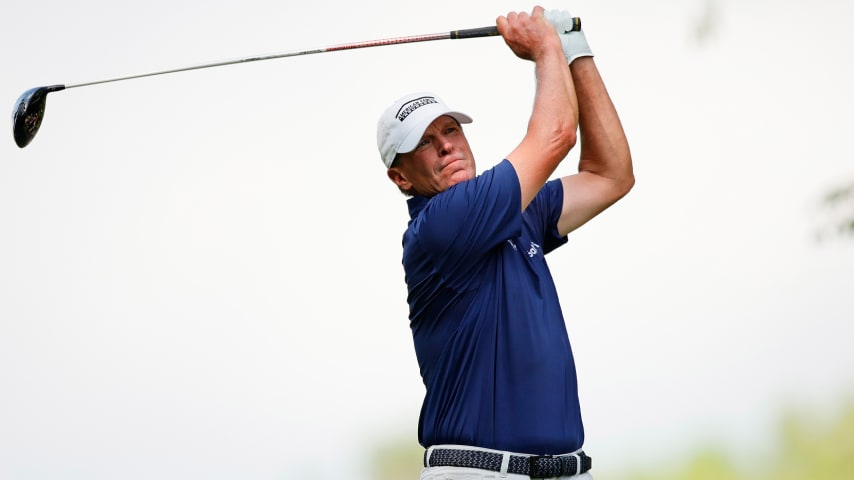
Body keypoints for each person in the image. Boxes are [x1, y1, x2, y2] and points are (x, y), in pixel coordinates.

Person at [375, 6, 633, 479]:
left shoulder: (516, 211)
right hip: (479, 472)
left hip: (564, 469)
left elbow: (609, 176)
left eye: (450, 130)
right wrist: (546, 48)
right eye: (425, 142)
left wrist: (576, 51)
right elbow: (556, 135)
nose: (447, 145)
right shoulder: (441, 224)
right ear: (401, 177)